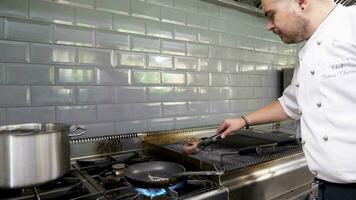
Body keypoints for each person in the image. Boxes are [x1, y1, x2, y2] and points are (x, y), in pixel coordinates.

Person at [217, 0, 356, 199]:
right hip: (327, 186)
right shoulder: (308, 52)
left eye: (271, 14)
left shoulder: (352, 22)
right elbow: (290, 104)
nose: (269, 25)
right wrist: (242, 121)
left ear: (301, 2)